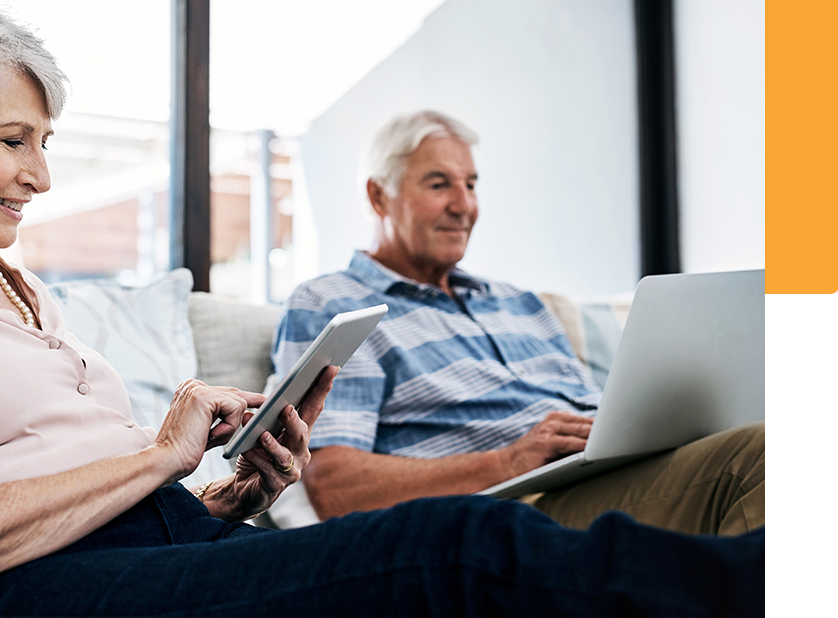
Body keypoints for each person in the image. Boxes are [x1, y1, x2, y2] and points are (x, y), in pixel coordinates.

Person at [0, 0, 763, 618]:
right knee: (448, 557)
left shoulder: (16, 285)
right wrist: (165, 453)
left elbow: (84, 493)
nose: (41, 176)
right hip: (6, 609)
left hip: (157, 546)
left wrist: (218, 497)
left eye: (45, 144)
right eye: (13, 141)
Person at [272, 110, 765, 534]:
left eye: (470, 184)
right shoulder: (334, 302)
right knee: (768, 455)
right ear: (379, 197)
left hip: (615, 472)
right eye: (439, 183)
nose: (464, 206)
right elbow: (335, 486)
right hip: (514, 511)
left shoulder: (520, 303)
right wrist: (508, 461)